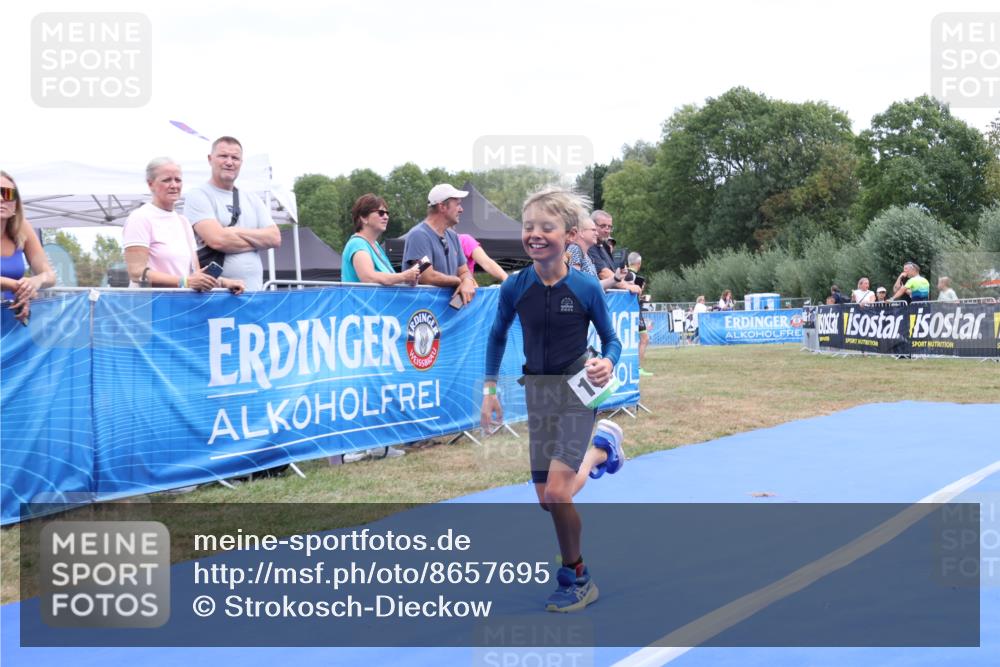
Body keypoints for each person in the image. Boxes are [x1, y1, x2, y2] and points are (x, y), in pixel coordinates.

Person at [481, 186, 624, 613]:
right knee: (547, 498)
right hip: (538, 393)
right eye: (529, 227)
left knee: (559, 494)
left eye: (547, 226)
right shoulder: (515, 288)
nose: (535, 234)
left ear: (569, 233)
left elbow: (612, 339)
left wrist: (609, 363)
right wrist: (490, 390)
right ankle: (601, 452)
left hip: (578, 389)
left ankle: (576, 575)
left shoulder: (585, 287)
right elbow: (496, 335)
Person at [123, 158, 245, 293]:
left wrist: (222, 282)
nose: (174, 185)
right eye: (166, 180)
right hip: (151, 307)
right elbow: (136, 272)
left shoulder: (183, 221)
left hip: (180, 305)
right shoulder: (140, 217)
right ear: (150, 184)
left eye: (178, 180)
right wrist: (184, 282)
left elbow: (194, 275)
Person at [182, 136, 281, 291]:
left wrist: (234, 231)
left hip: (254, 294)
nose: (229, 162)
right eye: (223, 156)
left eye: (235, 158)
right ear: (210, 159)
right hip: (217, 295)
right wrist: (258, 241)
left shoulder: (252, 198)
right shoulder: (198, 195)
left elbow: (274, 238)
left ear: (241, 162)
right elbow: (218, 241)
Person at [402, 184, 477, 304]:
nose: (461, 209)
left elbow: (464, 271)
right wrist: (458, 281)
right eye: (457, 204)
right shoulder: (419, 235)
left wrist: (467, 280)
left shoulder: (452, 236)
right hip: (423, 315)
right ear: (442, 206)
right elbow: (427, 276)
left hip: (447, 316)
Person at [1, 171, 55, 324]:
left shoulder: (23, 228)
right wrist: (16, 285)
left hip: (13, 323)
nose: (1, 198)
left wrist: (35, 282)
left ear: (15, 203)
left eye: (7, 193)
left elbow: (49, 275)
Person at [341, 194, 422, 286]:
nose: (386, 217)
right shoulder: (357, 243)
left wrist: (407, 280)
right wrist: (403, 276)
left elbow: (386, 278)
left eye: (387, 213)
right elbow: (368, 278)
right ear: (363, 218)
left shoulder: (375, 245)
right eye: (381, 213)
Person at [567, 216, 629, 290]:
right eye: (593, 230)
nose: (596, 233)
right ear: (581, 233)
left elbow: (595, 285)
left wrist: (616, 278)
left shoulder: (586, 255)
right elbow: (575, 284)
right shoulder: (575, 249)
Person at [627, 252, 653, 376]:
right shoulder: (633, 276)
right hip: (634, 312)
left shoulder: (624, 274)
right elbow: (634, 293)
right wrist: (640, 292)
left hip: (629, 310)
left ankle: (635, 367)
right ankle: (637, 368)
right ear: (639, 263)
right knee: (644, 338)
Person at [587, 210, 617, 281]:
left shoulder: (604, 246)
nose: (607, 231)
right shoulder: (588, 246)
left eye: (609, 227)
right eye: (603, 226)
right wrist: (626, 286)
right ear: (592, 225)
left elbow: (613, 272)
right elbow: (604, 274)